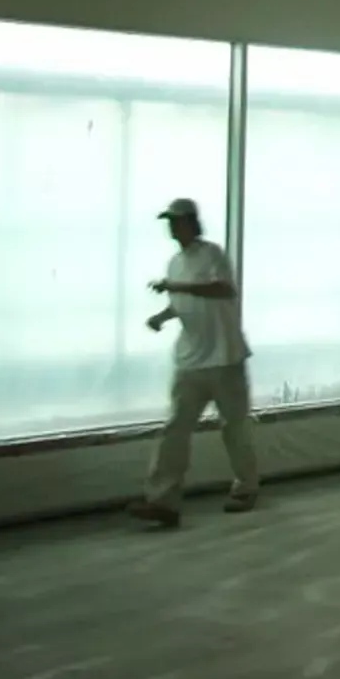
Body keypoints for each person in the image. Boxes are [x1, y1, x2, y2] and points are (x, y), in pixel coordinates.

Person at [127, 198, 259, 528]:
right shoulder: (174, 263)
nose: (171, 227)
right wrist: (162, 316)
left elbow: (223, 289)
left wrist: (174, 286)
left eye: (176, 221)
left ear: (191, 222)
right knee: (175, 429)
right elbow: (183, 302)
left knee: (235, 428)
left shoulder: (212, 254)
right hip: (190, 361)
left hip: (225, 358)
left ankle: (246, 487)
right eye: (169, 222)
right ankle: (163, 501)